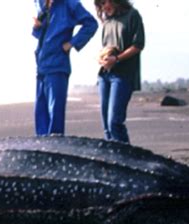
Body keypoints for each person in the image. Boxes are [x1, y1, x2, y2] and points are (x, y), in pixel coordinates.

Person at [32, 0, 98, 136]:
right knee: (40, 112)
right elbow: (42, 34)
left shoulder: (70, 3)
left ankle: (54, 150)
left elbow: (91, 24)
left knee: (55, 112)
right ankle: (42, 150)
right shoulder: (40, 3)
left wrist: (72, 43)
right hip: (41, 64)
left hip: (57, 64)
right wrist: (37, 27)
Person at [94, 0, 145, 143]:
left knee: (114, 122)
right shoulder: (107, 22)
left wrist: (116, 59)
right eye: (100, 4)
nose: (104, 7)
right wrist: (101, 58)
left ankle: (128, 160)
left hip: (123, 74)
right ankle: (113, 160)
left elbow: (138, 45)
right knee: (106, 126)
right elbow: (106, 47)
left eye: (105, 2)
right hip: (105, 74)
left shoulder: (132, 15)